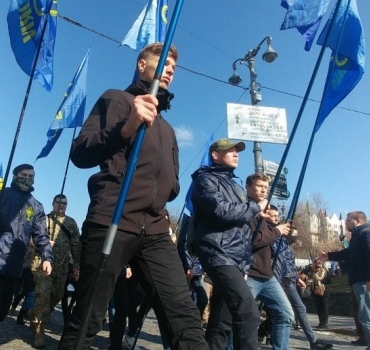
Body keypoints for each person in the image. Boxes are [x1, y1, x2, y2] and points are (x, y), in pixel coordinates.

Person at [58, 43, 207, 350]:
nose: (170, 70)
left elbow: (172, 180)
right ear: (141, 65)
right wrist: (126, 128)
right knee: (89, 316)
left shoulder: (167, 129)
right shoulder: (117, 98)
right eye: (164, 62)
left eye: (174, 68)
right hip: (113, 218)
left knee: (183, 314)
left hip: (154, 228)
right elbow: (81, 152)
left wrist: (168, 188)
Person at [190, 138, 263, 350]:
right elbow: (221, 211)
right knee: (248, 312)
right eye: (230, 150)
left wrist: (245, 265)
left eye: (237, 150)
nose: (236, 153)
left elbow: (243, 232)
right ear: (215, 155)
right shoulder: (205, 181)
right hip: (217, 252)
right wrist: (254, 207)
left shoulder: (236, 186)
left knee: (222, 321)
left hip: (235, 258)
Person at [0, 163, 54, 350]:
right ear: (15, 175)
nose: (27, 179)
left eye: (31, 176)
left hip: (15, 264)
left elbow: (41, 235)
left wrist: (47, 257)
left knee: (1, 312)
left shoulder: (36, 206)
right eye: (24, 175)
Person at [319, 211, 370, 350]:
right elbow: (348, 253)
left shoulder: (367, 234)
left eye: (348, 220)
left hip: (368, 281)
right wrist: (328, 255)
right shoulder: (359, 236)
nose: (345, 223)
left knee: (369, 318)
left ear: (357, 221)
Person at [271, 209, 333, 350]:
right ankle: (267, 334)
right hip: (278, 280)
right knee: (280, 312)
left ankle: (313, 341)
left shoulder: (286, 245)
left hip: (290, 281)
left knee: (298, 309)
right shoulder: (275, 239)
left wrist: (296, 278)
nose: (296, 238)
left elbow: (288, 263)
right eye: (294, 234)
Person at [243, 175, 293, 350]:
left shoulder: (263, 213)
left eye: (266, 186)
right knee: (244, 318)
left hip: (267, 275)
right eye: (259, 186)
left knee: (286, 313)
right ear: (248, 187)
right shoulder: (247, 210)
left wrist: (280, 232)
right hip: (250, 273)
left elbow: (267, 240)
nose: (264, 190)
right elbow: (254, 240)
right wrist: (277, 231)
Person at [28, 194, 81, 347]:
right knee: (43, 297)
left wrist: (76, 265)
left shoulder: (71, 223)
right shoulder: (44, 220)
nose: (61, 205)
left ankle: (34, 313)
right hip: (43, 265)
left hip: (62, 267)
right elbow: (31, 238)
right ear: (53, 204)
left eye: (64, 203)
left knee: (57, 295)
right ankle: (39, 333)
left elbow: (76, 245)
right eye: (58, 202)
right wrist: (43, 243)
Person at [311, 259, 332, 329]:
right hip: (316, 292)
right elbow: (312, 282)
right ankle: (321, 322)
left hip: (324, 291)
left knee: (324, 308)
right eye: (318, 262)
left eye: (321, 262)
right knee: (319, 308)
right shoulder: (313, 272)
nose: (320, 263)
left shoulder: (325, 271)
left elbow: (330, 281)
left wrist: (322, 281)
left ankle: (325, 323)